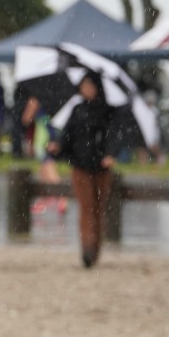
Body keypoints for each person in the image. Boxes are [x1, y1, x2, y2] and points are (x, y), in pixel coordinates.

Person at [47, 73, 114, 268]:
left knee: (98, 208)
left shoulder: (107, 111)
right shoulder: (77, 109)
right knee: (86, 207)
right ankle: (86, 248)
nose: (87, 89)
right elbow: (68, 134)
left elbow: (113, 135)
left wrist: (110, 153)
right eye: (84, 85)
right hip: (80, 164)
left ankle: (95, 248)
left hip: (101, 166)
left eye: (90, 85)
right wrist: (58, 146)